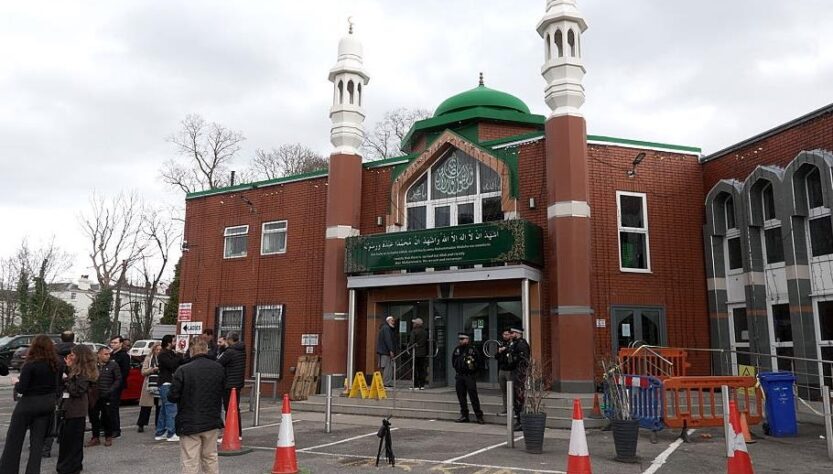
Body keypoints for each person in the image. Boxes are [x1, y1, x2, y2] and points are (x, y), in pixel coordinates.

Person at [0, 335, 60, 474]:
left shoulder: (30, 364)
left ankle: (8, 470)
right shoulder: (55, 365)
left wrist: (16, 382)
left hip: (29, 403)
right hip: (47, 403)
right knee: (37, 442)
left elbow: (22, 388)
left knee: (14, 439)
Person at [168, 337, 225, 474]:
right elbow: (223, 390)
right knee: (210, 457)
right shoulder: (218, 368)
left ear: (191, 350)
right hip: (212, 418)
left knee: (190, 460)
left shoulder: (183, 370)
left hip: (189, 420)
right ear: (206, 349)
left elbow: (172, 396)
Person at [57, 344, 98, 474]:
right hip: (69, 408)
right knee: (67, 440)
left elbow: (77, 390)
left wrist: (66, 380)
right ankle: (68, 465)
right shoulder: (75, 370)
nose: (70, 357)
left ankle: (71, 467)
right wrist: (68, 368)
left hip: (76, 409)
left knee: (72, 441)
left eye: (73, 355)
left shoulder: (84, 373)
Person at [42, 330, 76, 458]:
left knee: (50, 418)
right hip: (67, 388)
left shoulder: (53, 353)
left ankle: (45, 446)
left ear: (61, 338)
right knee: (66, 414)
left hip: (52, 390)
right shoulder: (76, 351)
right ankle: (62, 438)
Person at [86, 346, 121, 447]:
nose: (108, 356)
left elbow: (118, 379)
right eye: (105, 354)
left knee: (107, 417)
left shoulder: (113, 365)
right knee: (93, 417)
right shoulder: (92, 365)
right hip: (94, 395)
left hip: (107, 395)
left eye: (109, 354)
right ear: (99, 354)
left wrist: (111, 390)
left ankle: (108, 436)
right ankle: (95, 437)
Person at [218, 332, 245, 442]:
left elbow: (219, 362)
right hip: (237, 383)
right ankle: (238, 433)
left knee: (228, 409)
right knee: (235, 408)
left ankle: (229, 433)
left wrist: (222, 348)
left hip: (228, 383)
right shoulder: (242, 350)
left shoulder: (229, 352)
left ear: (229, 340)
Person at [452, 332, 484, 424]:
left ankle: (479, 416)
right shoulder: (457, 349)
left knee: (473, 396)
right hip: (460, 375)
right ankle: (464, 415)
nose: (460, 341)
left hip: (469, 376)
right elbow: (453, 361)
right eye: (460, 339)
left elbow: (479, 362)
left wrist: (474, 373)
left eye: (462, 339)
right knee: (461, 397)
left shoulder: (472, 350)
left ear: (467, 339)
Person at [155, 335, 182, 441]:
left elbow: (179, 362)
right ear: (169, 343)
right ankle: (171, 432)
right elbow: (172, 364)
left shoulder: (171, 353)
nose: (175, 343)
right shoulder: (163, 354)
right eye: (174, 341)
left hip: (169, 382)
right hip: (165, 383)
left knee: (164, 409)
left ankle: (160, 432)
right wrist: (178, 355)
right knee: (171, 408)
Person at [108, 335, 130, 438]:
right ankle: (107, 427)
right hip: (107, 384)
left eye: (115, 343)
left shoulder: (124, 356)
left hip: (117, 385)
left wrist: (117, 383)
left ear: (121, 343)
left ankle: (116, 430)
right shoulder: (110, 354)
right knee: (107, 407)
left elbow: (125, 372)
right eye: (112, 343)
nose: (113, 344)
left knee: (113, 407)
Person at [509, 326, 530, 431]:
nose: (511, 335)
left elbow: (523, 360)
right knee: (515, 396)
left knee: (519, 396)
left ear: (517, 333)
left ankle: (521, 421)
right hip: (514, 371)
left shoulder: (521, 344)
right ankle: (518, 419)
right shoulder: (514, 344)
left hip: (519, 373)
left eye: (512, 333)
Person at [136, 342, 161, 433]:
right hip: (149, 384)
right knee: (146, 406)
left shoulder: (163, 359)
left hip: (159, 384)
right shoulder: (148, 358)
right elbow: (143, 372)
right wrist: (152, 369)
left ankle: (158, 425)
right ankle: (141, 424)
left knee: (159, 406)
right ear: (153, 350)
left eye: (160, 350)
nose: (158, 351)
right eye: (157, 349)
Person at [495, 328, 515, 416]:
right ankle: (505, 408)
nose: (505, 336)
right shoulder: (501, 344)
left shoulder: (513, 344)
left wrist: (506, 349)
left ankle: (514, 408)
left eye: (507, 334)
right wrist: (499, 352)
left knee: (512, 390)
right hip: (502, 369)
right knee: (504, 391)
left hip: (510, 370)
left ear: (510, 335)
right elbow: (496, 357)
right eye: (504, 334)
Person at [376, 316, 398, 387]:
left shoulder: (387, 328)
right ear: (388, 321)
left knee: (388, 368)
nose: (393, 322)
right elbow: (388, 339)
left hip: (385, 351)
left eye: (393, 321)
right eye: (392, 321)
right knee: (387, 368)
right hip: (385, 352)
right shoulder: (386, 328)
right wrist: (391, 350)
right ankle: (386, 383)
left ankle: (387, 382)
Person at [408, 318, 428, 390]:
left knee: (414, 369)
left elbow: (411, 342)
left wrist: (410, 347)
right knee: (421, 369)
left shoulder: (414, 331)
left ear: (417, 324)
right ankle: (422, 385)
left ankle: (415, 385)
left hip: (415, 353)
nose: (413, 324)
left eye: (414, 323)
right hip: (423, 353)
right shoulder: (425, 332)